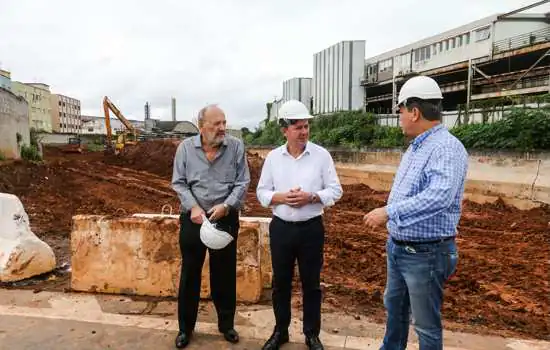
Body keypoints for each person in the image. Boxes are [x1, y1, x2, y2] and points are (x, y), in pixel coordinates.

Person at [363, 75, 468, 350]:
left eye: (400, 110)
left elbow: (440, 196)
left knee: (425, 325)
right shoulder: (416, 147)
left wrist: (389, 211)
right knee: (395, 312)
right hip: (399, 249)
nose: (398, 117)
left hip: (426, 253)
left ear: (414, 111)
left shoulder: (446, 147)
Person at [256, 100, 343, 350]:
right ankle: (280, 331)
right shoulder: (273, 158)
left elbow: (335, 190)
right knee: (280, 283)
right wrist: (282, 197)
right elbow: (262, 192)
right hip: (281, 228)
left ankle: (311, 334)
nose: (304, 132)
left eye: (306, 126)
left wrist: (312, 197)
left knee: (311, 284)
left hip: (311, 229)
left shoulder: (321, 156)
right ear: (284, 130)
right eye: (298, 127)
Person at [171, 104, 250, 348]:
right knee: (190, 274)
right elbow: (179, 183)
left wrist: (227, 206)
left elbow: (243, 182)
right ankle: (185, 328)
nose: (222, 128)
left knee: (224, 274)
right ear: (202, 126)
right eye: (216, 124)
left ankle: (226, 325)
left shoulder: (236, 147)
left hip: (224, 218)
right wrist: (193, 207)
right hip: (194, 219)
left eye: (224, 123)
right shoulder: (185, 149)